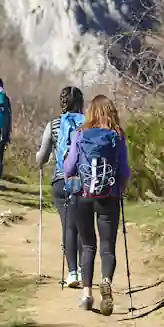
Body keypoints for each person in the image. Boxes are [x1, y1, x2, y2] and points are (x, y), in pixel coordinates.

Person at [61, 94, 130, 315]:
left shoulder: (80, 134)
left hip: (82, 195)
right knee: (107, 245)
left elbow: (69, 168)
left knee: (88, 244)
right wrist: (120, 187)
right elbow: (125, 171)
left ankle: (87, 294)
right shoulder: (117, 136)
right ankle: (106, 280)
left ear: (89, 112)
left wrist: (71, 178)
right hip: (109, 196)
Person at [35, 86, 85, 288]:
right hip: (83, 181)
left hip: (60, 181)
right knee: (84, 226)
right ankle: (84, 269)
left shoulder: (53, 125)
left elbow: (42, 157)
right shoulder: (89, 123)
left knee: (68, 226)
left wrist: (37, 160)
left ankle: (72, 273)